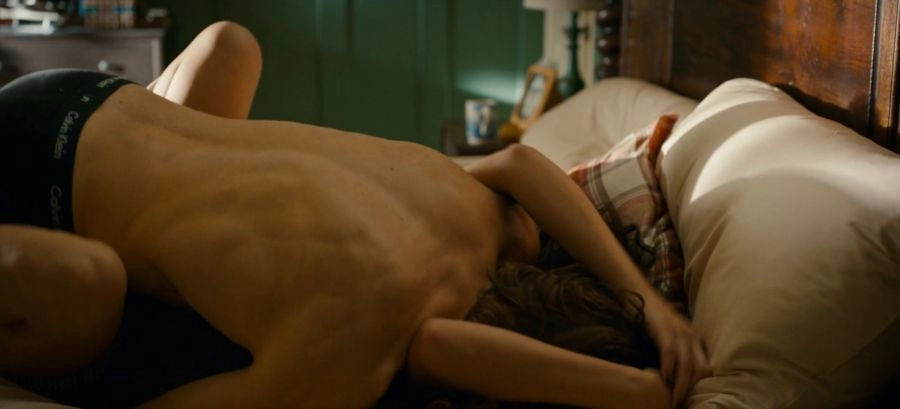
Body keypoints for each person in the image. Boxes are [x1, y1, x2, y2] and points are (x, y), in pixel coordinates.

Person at [0, 21, 709, 409]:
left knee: (232, 47)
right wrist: (631, 395)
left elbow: (522, 164)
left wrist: (649, 306)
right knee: (92, 285)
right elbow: (437, 349)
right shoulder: (351, 362)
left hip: (74, 97)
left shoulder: (480, 210)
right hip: (36, 187)